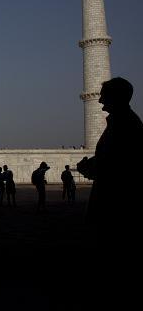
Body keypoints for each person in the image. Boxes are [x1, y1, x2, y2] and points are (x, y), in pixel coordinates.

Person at [76, 77, 143, 307]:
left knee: (114, 251)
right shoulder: (122, 123)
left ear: (116, 97)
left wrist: (92, 167)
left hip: (117, 202)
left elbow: (119, 163)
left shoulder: (125, 124)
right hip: (113, 197)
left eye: (104, 95)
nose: (100, 100)